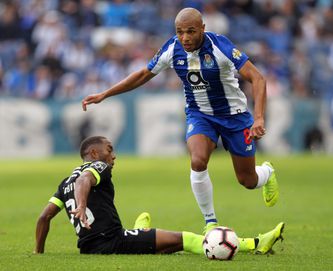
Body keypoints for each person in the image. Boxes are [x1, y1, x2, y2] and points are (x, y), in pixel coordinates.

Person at [81, 7, 279, 233]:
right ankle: (210, 223)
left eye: (191, 31)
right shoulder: (172, 48)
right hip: (200, 115)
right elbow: (143, 74)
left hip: (234, 116)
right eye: (180, 32)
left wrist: (259, 117)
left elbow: (258, 78)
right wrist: (105, 94)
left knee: (247, 180)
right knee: (197, 161)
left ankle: (267, 172)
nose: (185, 38)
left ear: (203, 29)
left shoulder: (220, 46)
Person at [34, 136, 284, 255]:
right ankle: (256, 243)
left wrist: (38, 253)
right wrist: (81, 203)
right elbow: (85, 180)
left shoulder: (64, 181)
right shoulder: (96, 168)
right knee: (187, 240)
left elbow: (44, 218)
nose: (114, 155)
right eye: (109, 149)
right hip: (112, 242)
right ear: (93, 153)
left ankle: (142, 233)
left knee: (164, 245)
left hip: (89, 247)